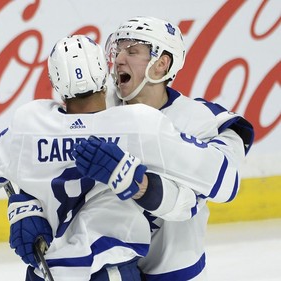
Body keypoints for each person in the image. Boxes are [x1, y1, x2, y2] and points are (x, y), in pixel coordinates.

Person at [74, 16, 254, 280]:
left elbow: (222, 185)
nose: (119, 60)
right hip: (112, 269)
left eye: (132, 51)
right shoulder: (99, 107)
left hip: (175, 273)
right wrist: (27, 207)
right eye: (118, 50)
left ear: (161, 64)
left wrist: (138, 180)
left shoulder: (202, 120)